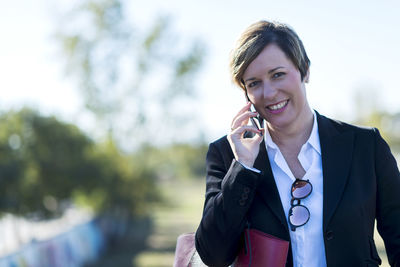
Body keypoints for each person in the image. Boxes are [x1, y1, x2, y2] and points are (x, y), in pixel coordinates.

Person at [195, 20, 400, 267]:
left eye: (278, 74)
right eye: (254, 83)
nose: (269, 93)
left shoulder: (366, 147)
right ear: (246, 93)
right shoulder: (227, 155)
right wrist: (243, 169)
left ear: (305, 69)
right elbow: (213, 256)